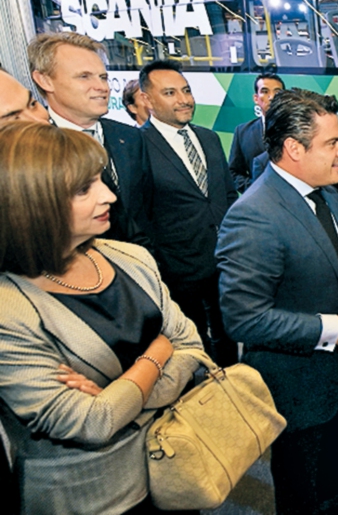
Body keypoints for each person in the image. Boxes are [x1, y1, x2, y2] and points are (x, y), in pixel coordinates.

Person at [0, 121, 203, 515]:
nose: (108, 195)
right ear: (30, 204)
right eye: (84, 189)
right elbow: (91, 423)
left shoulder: (129, 257)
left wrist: (119, 392)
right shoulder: (9, 310)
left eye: (100, 180)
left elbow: (191, 344)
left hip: (176, 468)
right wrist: (158, 352)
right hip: (94, 498)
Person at [217, 89, 338, 515]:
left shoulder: (329, 192)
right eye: (331, 143)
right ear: (293, 149)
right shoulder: (254, 215)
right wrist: (330, 328)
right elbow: (243, 318)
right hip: (297, 389)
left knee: (336, 482)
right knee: (302, 494)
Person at [139, 60, 239, 366]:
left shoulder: (209, 138)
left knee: (230, 332)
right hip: (178, 270)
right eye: (170, 93)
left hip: (225, 259)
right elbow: (139, 214)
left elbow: (228, 194)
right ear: (147, 99)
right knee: (192, 343)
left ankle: (233, 384)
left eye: (186, 90)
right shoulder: (138, 146)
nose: (184, 99)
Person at [28, 33, 154, 248]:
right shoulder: (29, 150)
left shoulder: (131, 137)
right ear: (44, 80)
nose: (103, 88)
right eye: (84, 76)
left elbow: (147, 212)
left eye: (103, 77)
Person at [228, 71, 285, 192]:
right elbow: (233, 173)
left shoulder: (299, 129)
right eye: (265, 91)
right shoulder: (242, 132)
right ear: (256, 98)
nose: (271, 97)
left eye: (277, 92)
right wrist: (254, 188)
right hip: (259, 203)